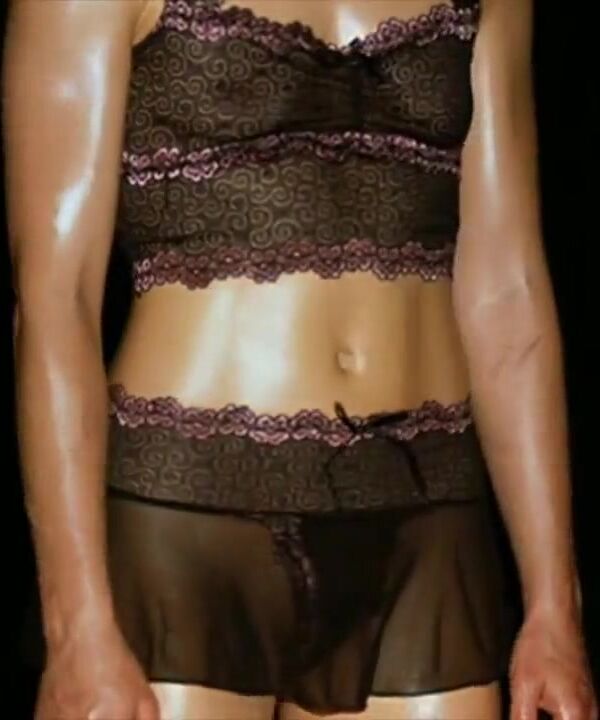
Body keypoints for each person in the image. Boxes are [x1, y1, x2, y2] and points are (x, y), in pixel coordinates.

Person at [4, 0, 597, 719]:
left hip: (424, 516)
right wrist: (75, 625)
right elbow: (55, 301)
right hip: (186, 512)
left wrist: (555, 605)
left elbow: (508, 291)